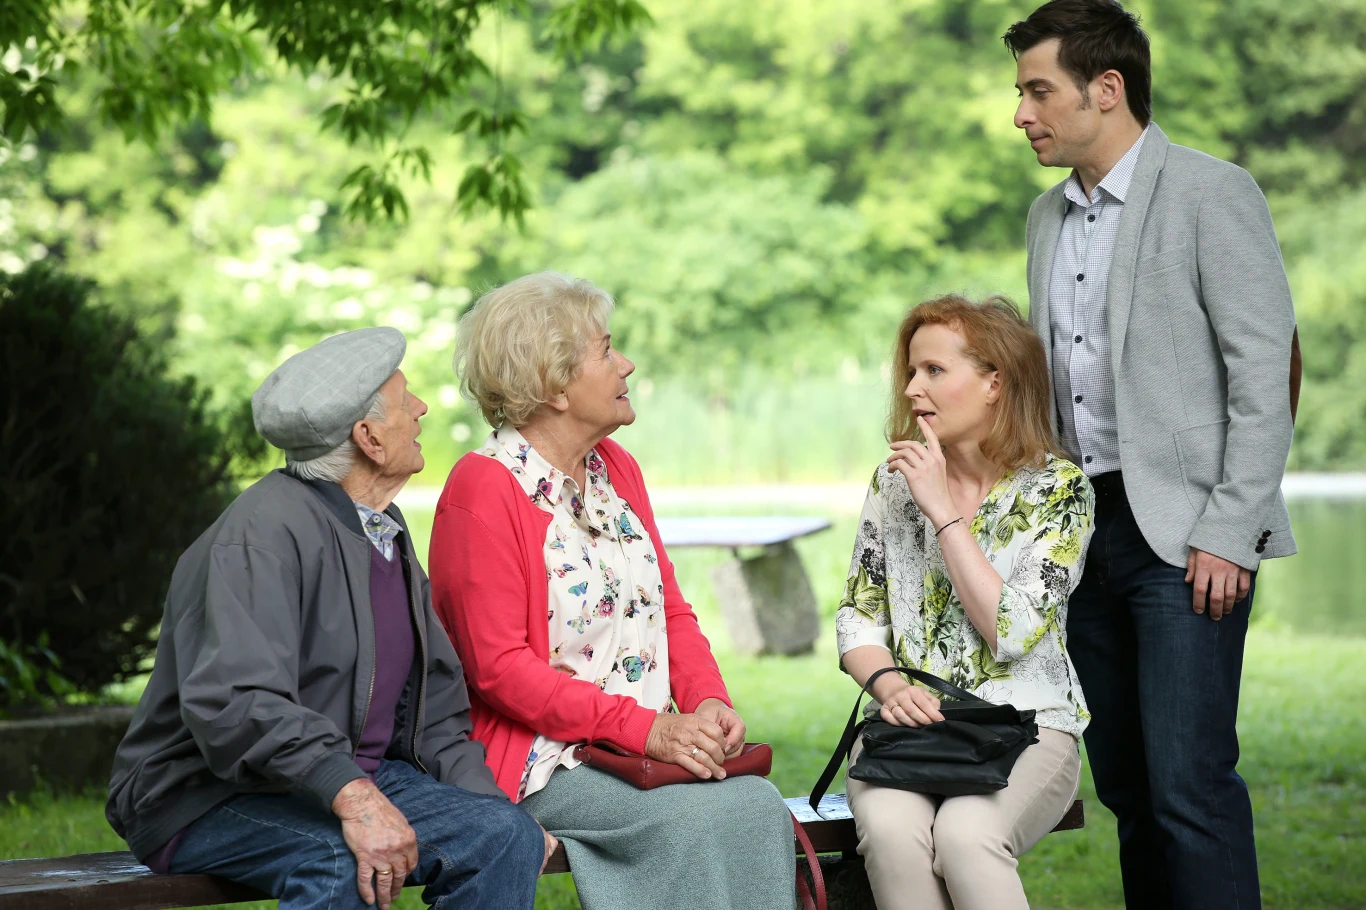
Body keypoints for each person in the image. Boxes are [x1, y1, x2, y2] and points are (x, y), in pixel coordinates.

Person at [1006, 2, 1299, 907]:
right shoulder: (1045, 219)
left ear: (1107, 89)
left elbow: (1267, 374)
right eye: (1021, 94)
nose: (1021, 114)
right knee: (1131, 791)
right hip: (1083, 541)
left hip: (1186, 541)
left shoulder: (1214, 192)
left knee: (1189, 790)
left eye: (1038, 91)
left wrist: (1229, 528)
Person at [106, 328, 550, 910]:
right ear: (368, 438)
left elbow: (434, 709)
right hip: (205, 794)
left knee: (502, 836)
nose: (420, 409)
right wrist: (355, 799)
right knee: (338, 861)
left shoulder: (382, 531)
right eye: (405, 399)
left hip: (338, 778)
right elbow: (238, 703)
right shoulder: (260, 536)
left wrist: (486, 806)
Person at [428, 272, 796, 910]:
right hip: (542, 761)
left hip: (641, 741)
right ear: (553, 382)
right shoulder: (482, 488)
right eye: (605, 350)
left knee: (754, 804)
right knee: (687, 820)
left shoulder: (615, 469)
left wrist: (707, 700)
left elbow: (670, 613)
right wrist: (646, 730)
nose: (625, 364)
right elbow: (497, 671)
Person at [836, 294, 1094, 910]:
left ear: (993, 384)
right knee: (894, 832)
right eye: (910, 370)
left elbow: (1012, 630)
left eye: (934, 371)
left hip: (1030, 728)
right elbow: (857, 615)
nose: (913, 387)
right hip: (915, 734)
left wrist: (944, 513)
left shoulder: (1059, 491)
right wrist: (890, 687)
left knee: (966, 834)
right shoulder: (892, 482)